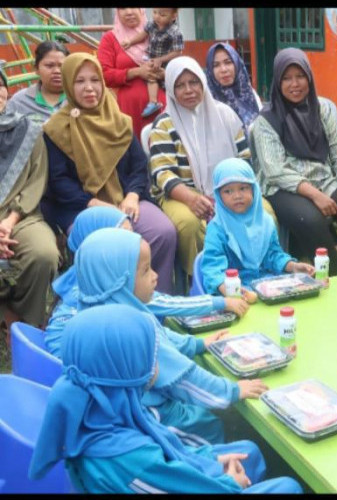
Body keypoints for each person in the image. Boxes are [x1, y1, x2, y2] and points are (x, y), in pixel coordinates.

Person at [28, 304, 303, 494]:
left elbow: (171, 453)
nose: (157, 364)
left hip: (162, 475)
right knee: (288, 487)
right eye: (149, 357)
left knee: (248, 451)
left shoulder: (104, 408)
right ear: (123, 373)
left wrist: (210, 462)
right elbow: (176, 481)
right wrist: (232, 483)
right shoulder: (127, 457)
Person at [52, 227, 262, 445]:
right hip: (148, 418)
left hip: (115, 416)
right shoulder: (131, 328)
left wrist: (197, 344)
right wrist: (233, 390)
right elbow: (184, 378)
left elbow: (163, 338)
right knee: (211, 425)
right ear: (118, 280)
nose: (155, 276)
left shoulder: (96, 310)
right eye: (145, 271)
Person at [41, 52, 177, 294]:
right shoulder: (55, 129)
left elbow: (138, 166)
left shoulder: (119, 121)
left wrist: (133, 196)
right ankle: (113, 307)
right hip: (81, 207)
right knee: (108, 244)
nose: (89, 88)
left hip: (124, 199)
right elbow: (58, 182)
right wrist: (94, 203)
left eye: (95, 80)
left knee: (162, 231)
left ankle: (159, 305)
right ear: (69, 85)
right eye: (80, 81)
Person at [45, 206, 249, 356]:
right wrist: (221, 303)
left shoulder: (86, 280)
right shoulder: (109, 293)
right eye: (121, 237)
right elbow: (156, 329)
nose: (132, 243)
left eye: (132, 234)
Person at [252, 48, 337, 276]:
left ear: (309, 77)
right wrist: (315, 195)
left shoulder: (322, 109)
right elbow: (275, 170)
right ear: (277, 81)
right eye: (287, 78)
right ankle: (335, 279)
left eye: (300, 76)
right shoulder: (267, 119)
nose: (295, 84)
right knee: (311, 219)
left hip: (323, 179)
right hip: (284, 188)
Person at [148, 56, 257, 278]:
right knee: (189, 224)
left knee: (264, 212)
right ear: (170, 89)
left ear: (203, 82)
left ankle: (253, 273)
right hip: (181, 194)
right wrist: (191, 198)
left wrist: (229, 192)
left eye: (194, 82)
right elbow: (162, 173)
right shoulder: (164, 124)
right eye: (180, 85)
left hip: (229, 186)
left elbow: (244, 159)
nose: (188, 90)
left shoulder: (225, 114)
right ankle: (201, 280)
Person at [201, 159, 315, 294]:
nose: (237, 196)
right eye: (228, 191)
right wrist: (228, 290)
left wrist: (293, 266)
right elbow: (212, 269)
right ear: (218, 196)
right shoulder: (217, 228)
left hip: (267, 285)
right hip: (234, 290)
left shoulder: (265, 222)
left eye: (243, 188)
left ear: (254, 189)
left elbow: (273, 255)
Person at [0, 86, 60, 340]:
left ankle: (27, 323)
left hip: (19, 215)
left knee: (43, 253)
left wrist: (9, 221)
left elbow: (36, 181)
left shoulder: (28, 131)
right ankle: (4, 314)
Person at [97, 8, 167, 138]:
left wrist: (164, 73)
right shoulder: (110, 39)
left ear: (141, 10)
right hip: (129, 110)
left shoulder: (160, 34)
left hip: (162, 107)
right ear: (117, 12)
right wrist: (136, 72)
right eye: (123, 8)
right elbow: (103, 74)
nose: (129, 12)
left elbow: (178, 68)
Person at [120, 8, 183, 119]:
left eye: (162, 15)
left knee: (165, 82)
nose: (157, 17)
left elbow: (177, 52)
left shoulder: (175, 32)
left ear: (173, 16)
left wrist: (161, 59)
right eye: (154, 12)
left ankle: (167, 105)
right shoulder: (152, 24)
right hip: (152, 59)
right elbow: (143, 34)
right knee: (151, 77)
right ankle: (153, 102)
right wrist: (130, 42)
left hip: (166, 62)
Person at [205, 42, 262, 133]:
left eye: (228, 62)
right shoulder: (206, 102)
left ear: (237, 64)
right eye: (216, 65)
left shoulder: (251, 95)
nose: (223, 69)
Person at [6, 40, 69, 121]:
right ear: (36, 69)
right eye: (49, 66)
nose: (57, 71)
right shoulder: (20, 101)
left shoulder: (80, 99)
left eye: (62, 66)